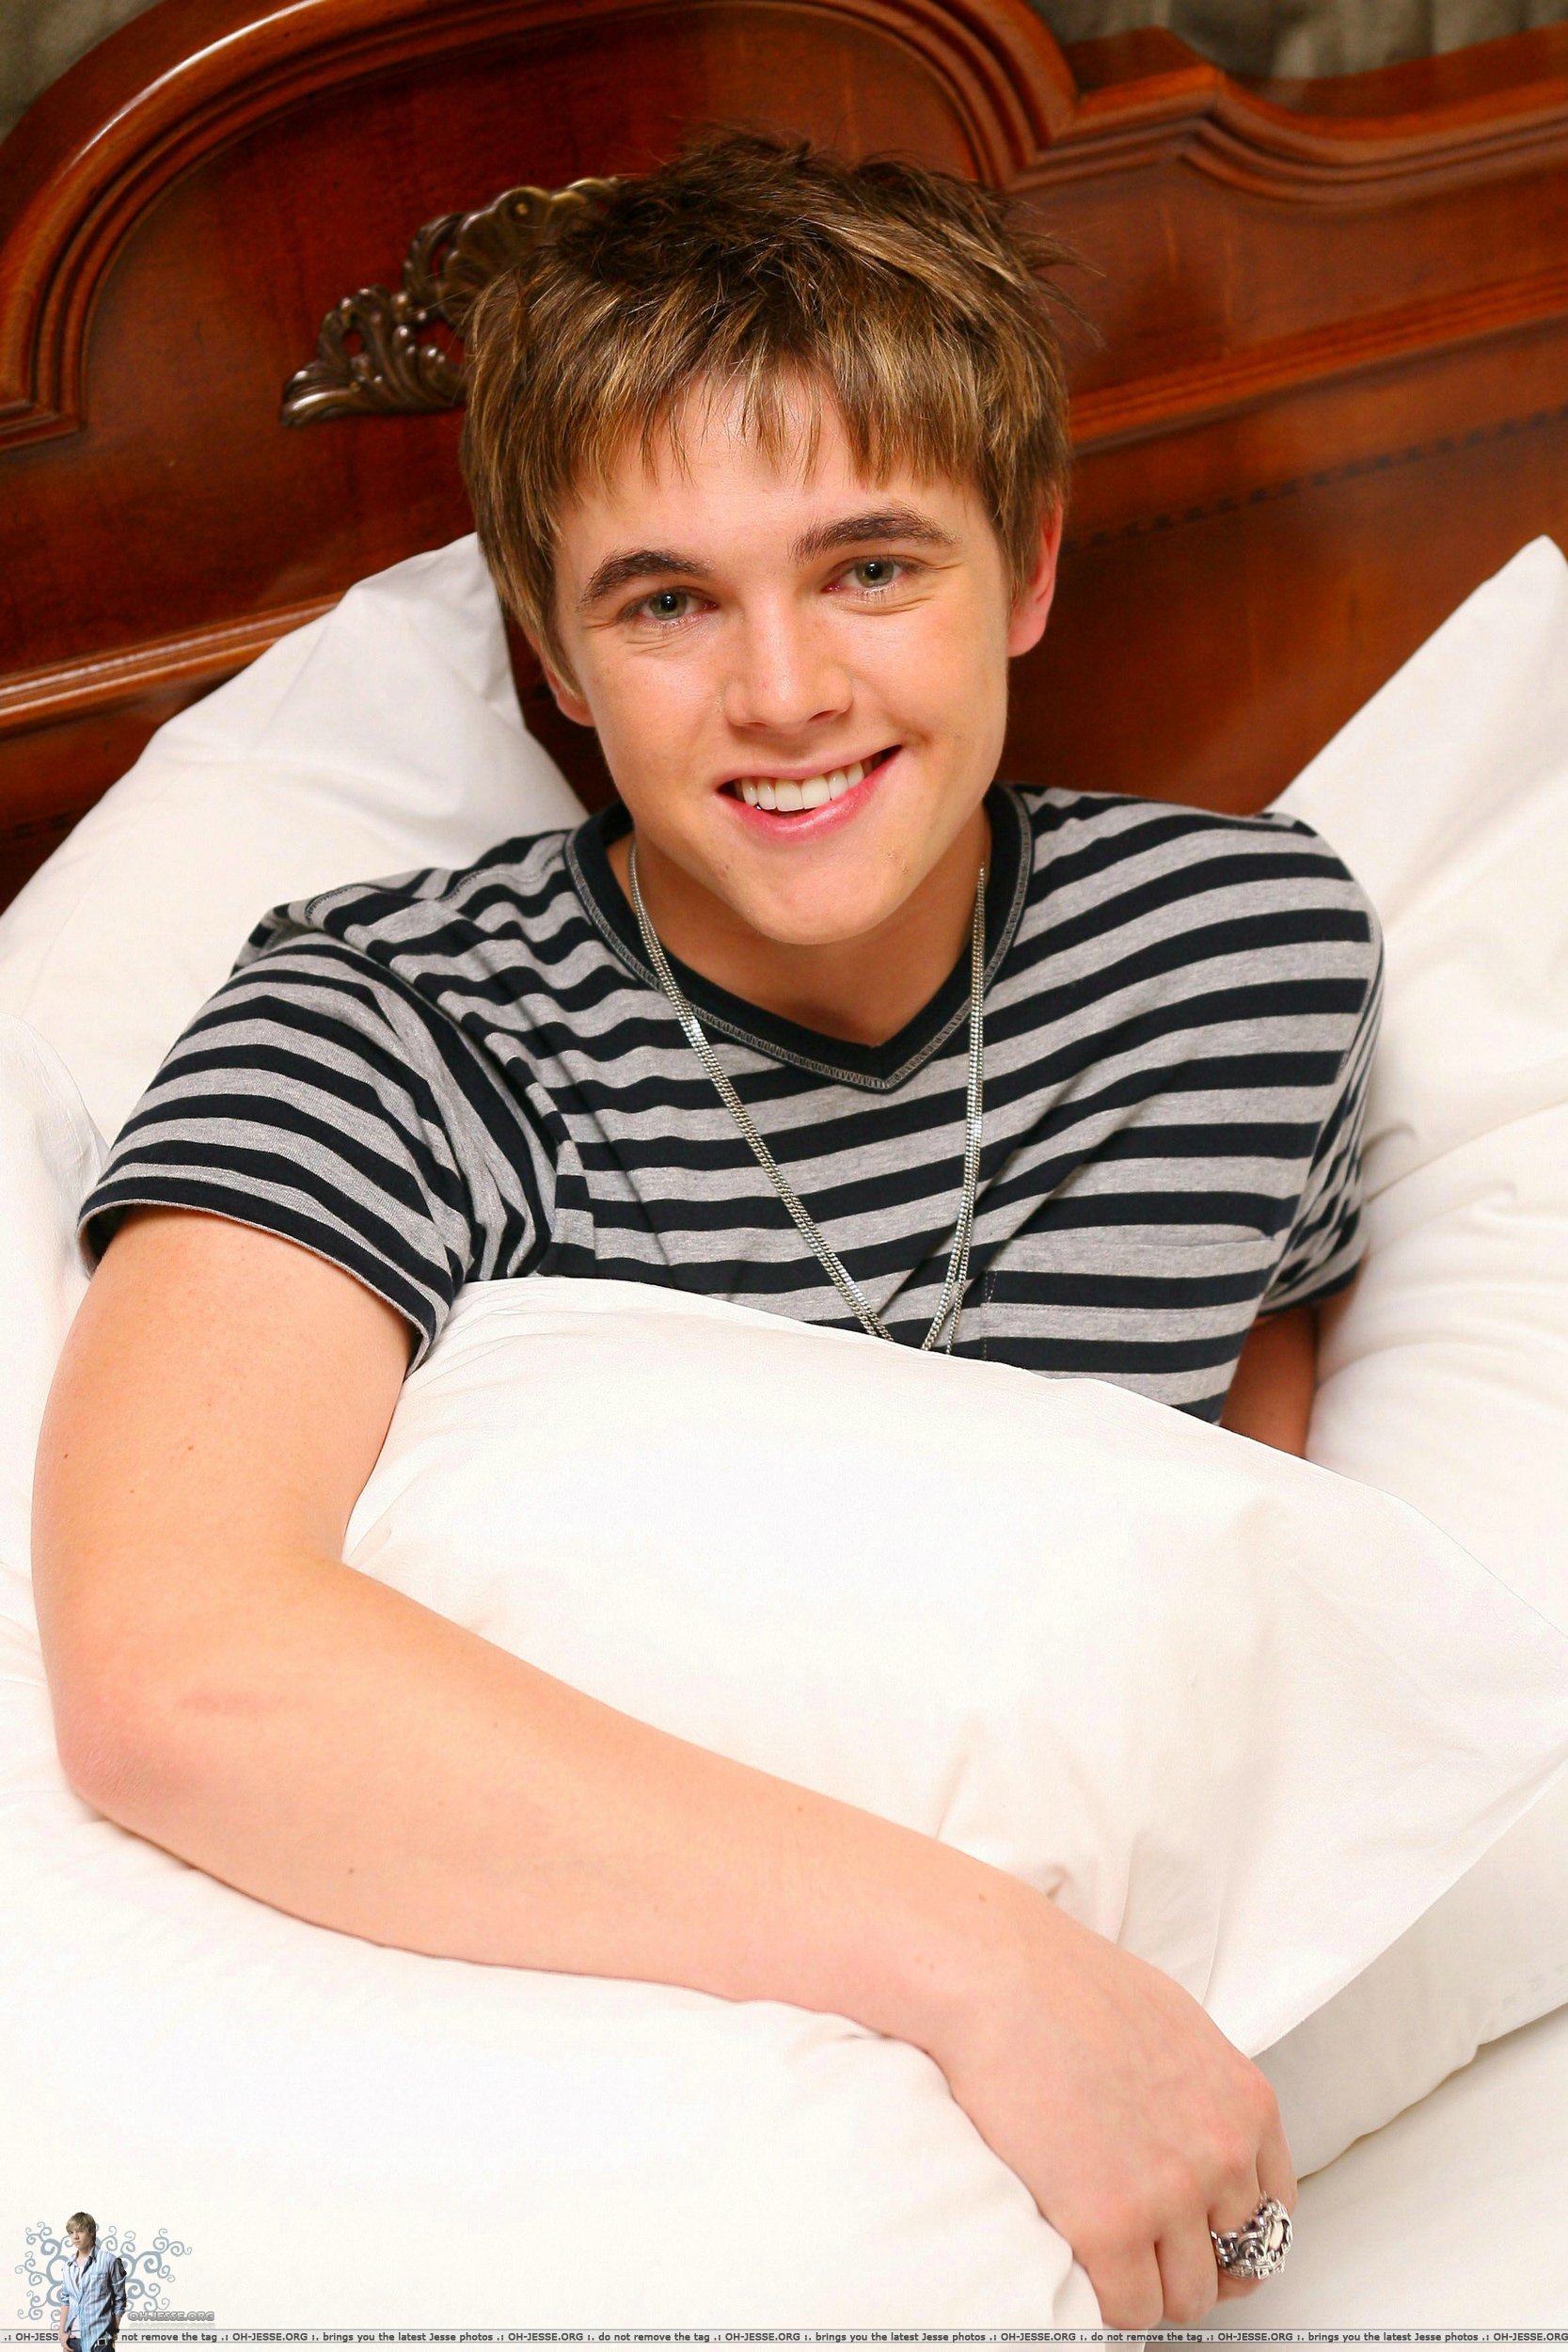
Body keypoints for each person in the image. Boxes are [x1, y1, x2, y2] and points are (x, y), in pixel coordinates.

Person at [33, 133, 1382, 2329]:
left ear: (1026, 564)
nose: (783, 693)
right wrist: (986, 1967)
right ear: (555, 655)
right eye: (666, 601)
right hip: (577, 2106)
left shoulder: (1250, 955)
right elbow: (171, 1672)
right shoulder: (384, 1015)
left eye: (870, 566)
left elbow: (1249, 1443)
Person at [54, 2215, 125, 2352]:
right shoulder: (68, 2265)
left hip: (100, 2342)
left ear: (91, 2232)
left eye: (80, 2231)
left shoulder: (108, 2260)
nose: (75, 2237)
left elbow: (120, 2299)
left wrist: (113, 2331)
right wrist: (62, 2334)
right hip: (72, 2341)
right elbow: (65, 2300)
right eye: (71, 2232)